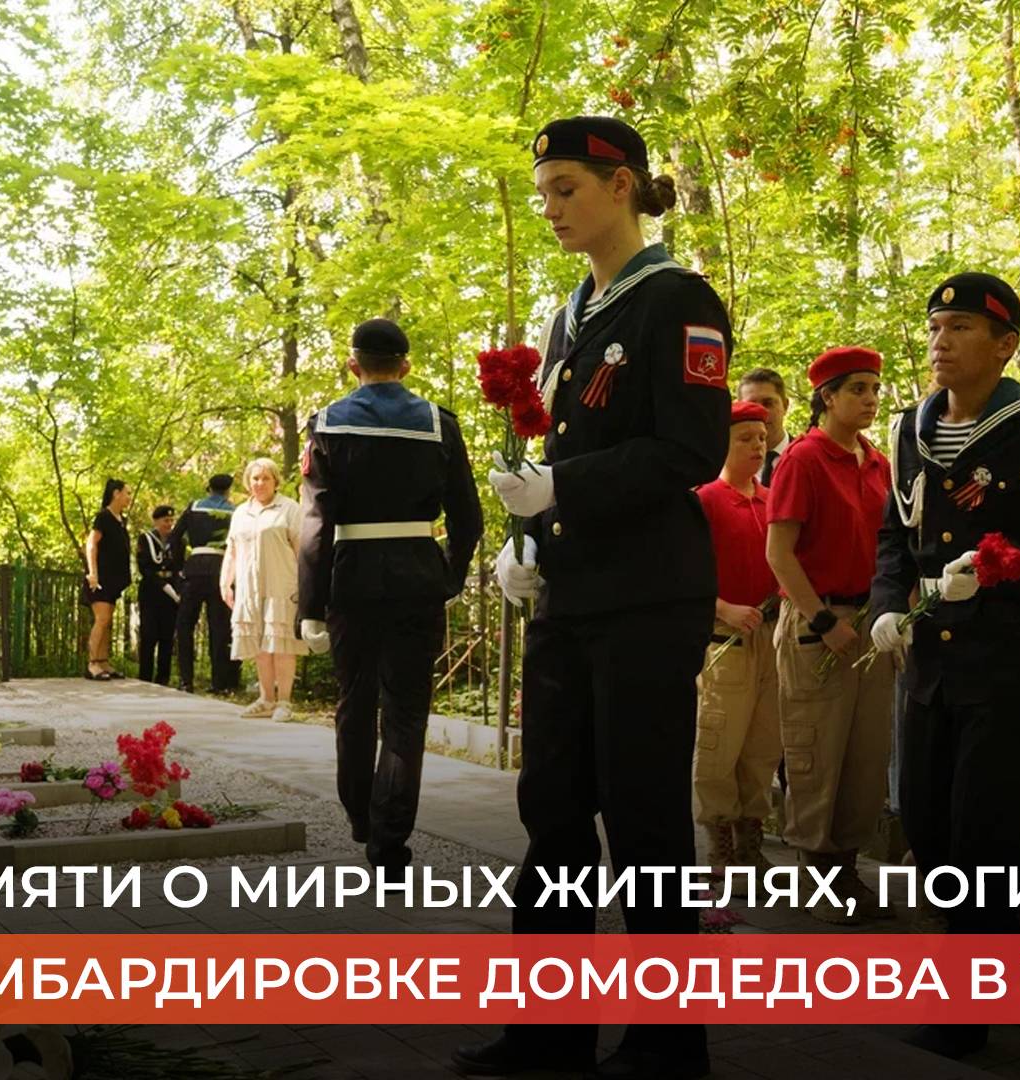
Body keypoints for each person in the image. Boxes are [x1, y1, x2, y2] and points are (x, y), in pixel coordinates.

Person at [454, 115, 729, 1080]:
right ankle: (549, 1033)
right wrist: (525, 541)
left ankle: (666, 1045)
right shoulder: (571, 316)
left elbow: (690, 450)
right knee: (555, 813)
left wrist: (563, 490)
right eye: (543, 193)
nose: (551, 208)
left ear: (622, 186)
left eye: (566, 188)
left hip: (648, 594)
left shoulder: (676, 299)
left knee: (643, 817)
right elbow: (559, 452)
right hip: (571, 596)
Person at [868, 272, 1020, 1060]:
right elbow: (895, 537)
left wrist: (1007, 566)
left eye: (962, 328)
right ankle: (997, 944)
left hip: (1004, 663)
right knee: (927, 825)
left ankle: (964, 1006)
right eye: (936, 328)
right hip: (929, 665)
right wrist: (886, 605)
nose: (941, 342)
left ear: (1005, 345)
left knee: (984, 833)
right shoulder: (911, 429)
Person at [297, 317, 484, 868]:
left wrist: (311, 607)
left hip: (352, 577)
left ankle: (360, 814)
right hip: (416, 577)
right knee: (406, 712)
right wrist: (448, 576)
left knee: (354, 702)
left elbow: (315, 525)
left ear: (353, 365)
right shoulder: (438, 425)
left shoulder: (327, 423)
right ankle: (390, 839)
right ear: (405, 366)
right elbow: (468, 518)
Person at [764, 346, 894, 924]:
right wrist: (822, 620)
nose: (870, 399)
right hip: (818, 623)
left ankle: (846, 869)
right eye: (858, 389)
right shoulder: (804, 459)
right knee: (817, 750)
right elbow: (779, 553)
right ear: (828, 397)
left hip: (871, 622)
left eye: (874, 389)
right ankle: (818, 874)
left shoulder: (878, 462)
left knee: (865, 754)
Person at [692, 400, 781, 878]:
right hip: (727, 638)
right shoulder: (706, 499)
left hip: (772, 636)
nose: (756, 446)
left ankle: (751, 841)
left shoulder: (772, 500)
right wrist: (723, 608)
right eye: (744, 438)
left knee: (763, 745)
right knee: (719, 742)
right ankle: (720, 845)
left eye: (762, 438)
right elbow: (685, 571)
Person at [224, 457, 305, 721]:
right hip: (249, 587)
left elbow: (302, 549)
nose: (260, 483)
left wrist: (307, 584)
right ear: (248, 482)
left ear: (275, 481)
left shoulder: (289, 509)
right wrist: (226, 582)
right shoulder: (240, 513)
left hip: (282, 584)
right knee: (259, 644)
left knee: (282, 644)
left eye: (265, 478)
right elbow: (232, 550)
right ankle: (266, 699)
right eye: (255, 478)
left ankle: (284, 702)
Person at [168, 475, 242, 695]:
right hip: (222, 569)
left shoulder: (194, 507)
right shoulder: (235, 512)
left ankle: (186, 680)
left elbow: (175, 537)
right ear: (228, 490)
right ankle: (220, 683)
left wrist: (179, 567)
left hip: (195, 568)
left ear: (209, 488)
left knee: (185, 625)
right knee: (219, 627)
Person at [83, 478, 134, 681]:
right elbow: (91, 544)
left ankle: (103, 661)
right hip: (100, 577)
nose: (129, 497)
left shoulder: (121, 520)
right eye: (127, 493)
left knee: (108, 621)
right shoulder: (103, 517)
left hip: (114, 579)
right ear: (116, 493)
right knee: (102, 619)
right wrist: (93, 573)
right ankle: (92, 663)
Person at [135, 504, 181, 686]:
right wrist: (162, 585)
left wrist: (177, 590)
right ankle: (145, 676)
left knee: (167, 636)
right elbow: (144, 567)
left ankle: (163, 678)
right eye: (165, 520)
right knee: (148, 634)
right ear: (156, 521)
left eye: (171, 520)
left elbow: (179, 566)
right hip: (151, 591)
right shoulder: (145, 539)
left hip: (171, 594)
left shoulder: (178, 541)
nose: (169, 524)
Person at [738, 367, 791, 485]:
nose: (760, 412)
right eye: (751, 405)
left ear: (785, 405)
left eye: (768, 403)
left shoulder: (807, 458)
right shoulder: (727, 465)